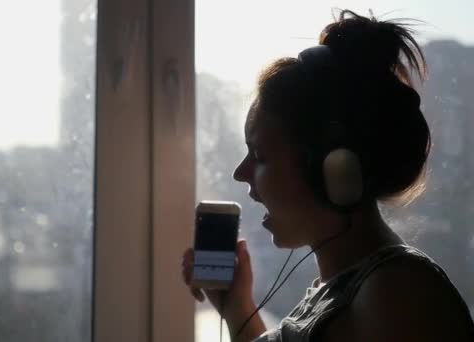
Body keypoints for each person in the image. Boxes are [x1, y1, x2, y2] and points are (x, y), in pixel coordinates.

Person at [182, 10, 474, 342]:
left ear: (331, 166)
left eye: (259, 155)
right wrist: (235, 304)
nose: (240, 173)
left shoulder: (395, 297)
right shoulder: (344, 291)